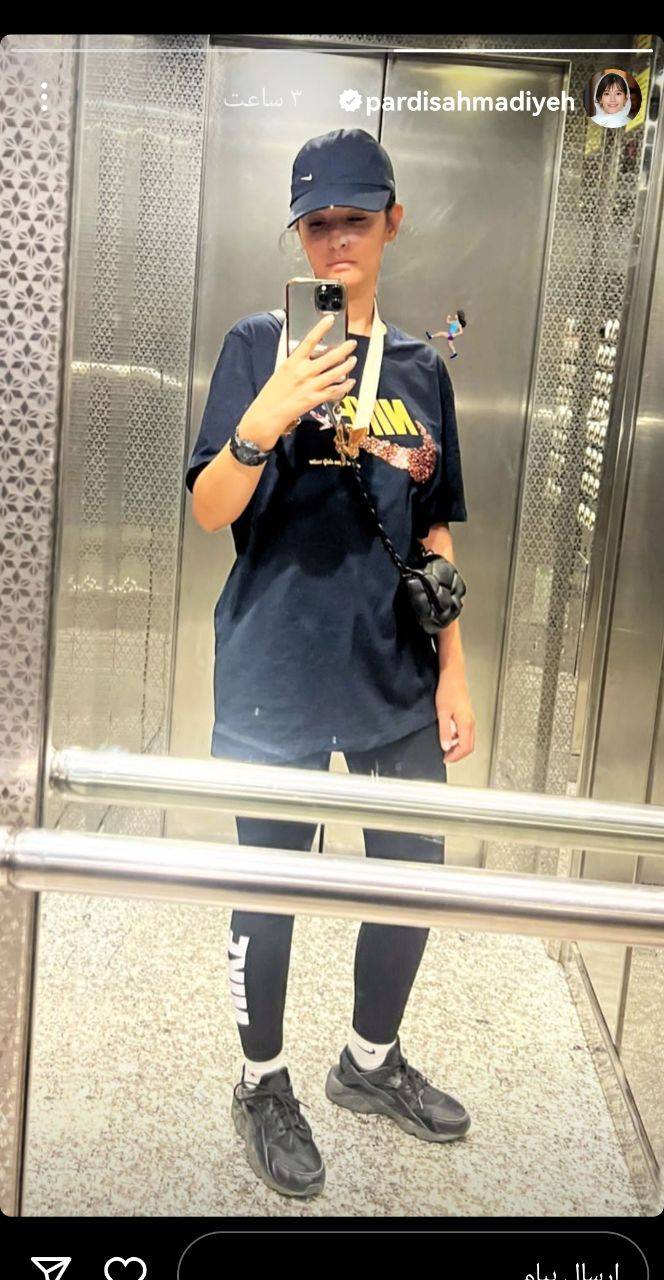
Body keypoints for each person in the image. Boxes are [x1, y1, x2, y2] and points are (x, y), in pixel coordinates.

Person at [186, 127, 476, 1200]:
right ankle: (261, 1080)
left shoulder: (422, 370)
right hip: (274, 672)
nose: (336, 240)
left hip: (395, 675)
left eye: (356, 219)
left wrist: (454, 673)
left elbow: (435, 531)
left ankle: (368, 1060)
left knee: (409, 878)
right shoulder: (255, 345)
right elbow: (209, 506)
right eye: (316, 224)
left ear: (392, 222)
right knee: (269, 891)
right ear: (299, 236)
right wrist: (263, 419)